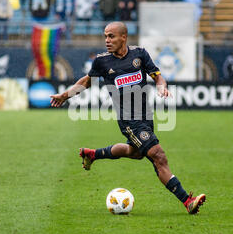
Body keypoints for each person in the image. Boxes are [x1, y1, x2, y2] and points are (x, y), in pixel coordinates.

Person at [49, 22, 206, 215]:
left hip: (146, 116)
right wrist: (64, 96)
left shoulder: (139, 54)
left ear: (124, 37)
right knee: (158, 155)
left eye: (111, 36)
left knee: (136, 152)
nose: (107, 40)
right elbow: (86, 82)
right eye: (105, 36)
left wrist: (161, 86)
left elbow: (157, 76)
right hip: (128, 120)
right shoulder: (102, 61)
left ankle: (92, 154)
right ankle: (187, 201)